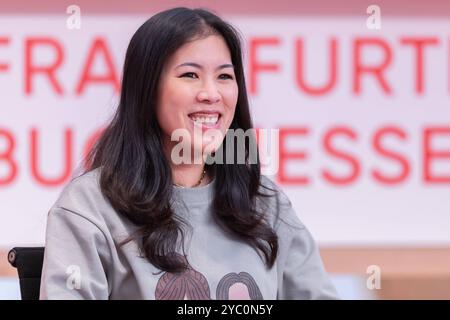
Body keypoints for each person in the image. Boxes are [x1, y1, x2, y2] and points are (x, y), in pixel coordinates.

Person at [39, 7, 339, 300]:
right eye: (190, 75)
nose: (211, 93)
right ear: (147, 89)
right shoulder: (89, 207)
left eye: (224, 77)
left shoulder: (264, 202)